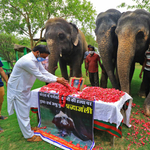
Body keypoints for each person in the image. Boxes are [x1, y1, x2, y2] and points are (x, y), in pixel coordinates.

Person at [7, 45, 68, 142]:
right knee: (22, 113)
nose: (43, 59)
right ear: (37, 52)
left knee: (26, 109)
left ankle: (28, 129)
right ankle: (29, 136)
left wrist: (57, 78)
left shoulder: (36, 60)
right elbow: (40, 77)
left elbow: (44, 72)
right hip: (17, 89)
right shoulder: (27, 61)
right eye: (43, 57)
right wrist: (57, 80)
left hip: (24, 88)